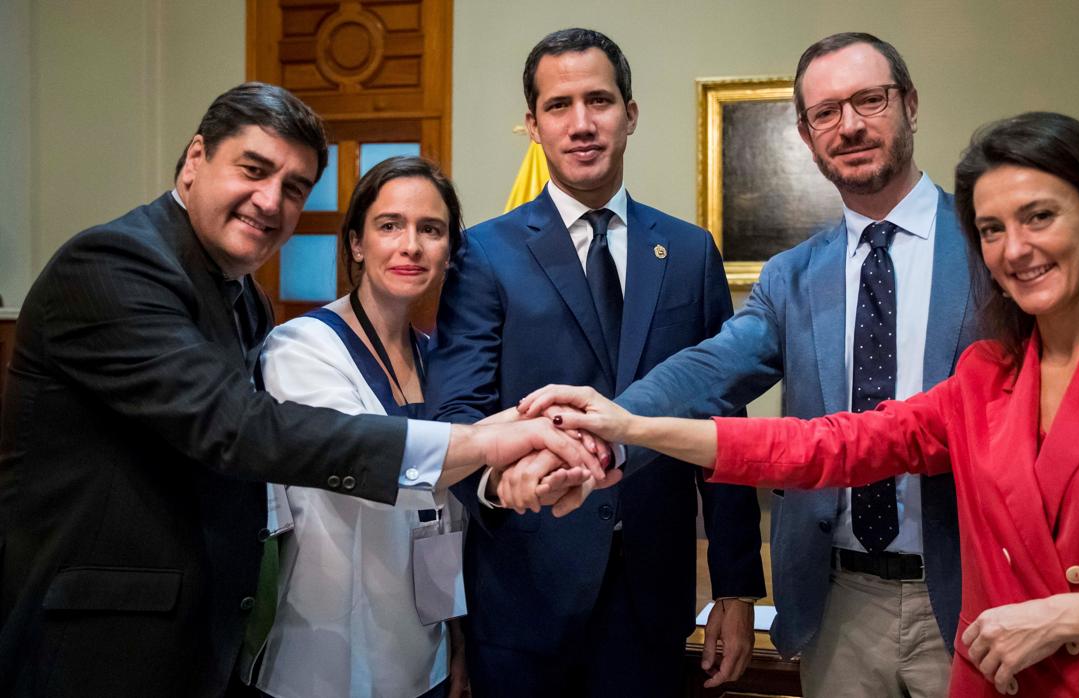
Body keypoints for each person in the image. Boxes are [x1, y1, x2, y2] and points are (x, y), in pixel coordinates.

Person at [523, 111, 1079, 697]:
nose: (1014, 249)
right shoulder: (986, 376)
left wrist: (1062, 617)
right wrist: (626, 426)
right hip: (934, 647)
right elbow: (824, 445)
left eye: (1040, 217)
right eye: (992, 230)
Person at [0, 83, 601, 697]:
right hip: (103, 638)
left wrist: (508, 452)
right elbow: (242, 429)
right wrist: (486, 444)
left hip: (216, 628)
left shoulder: (244, 300)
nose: (270, 201)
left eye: (294, 188)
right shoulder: (115, 263)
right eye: (253, 170)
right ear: (194, 160)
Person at [531, 32, 974, 697]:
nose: (849, 125)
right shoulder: (795, 275)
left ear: (909, 104)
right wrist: (611, 429)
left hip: (974, 591)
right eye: (826, 112)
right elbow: (710, 370)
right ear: (804, 132)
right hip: (839, 604)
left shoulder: (989, 247)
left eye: (869, 101)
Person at [426, 28, 765, 697]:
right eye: (558, 106)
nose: (581, 124)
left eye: (599, 101)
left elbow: (721, 419)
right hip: (523, 597)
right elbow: (455, 416)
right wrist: (498, 486)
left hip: (653, 601)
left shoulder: (690, 253)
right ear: (532, 125)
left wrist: (735, 583)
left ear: (631, 113)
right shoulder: (484, 255)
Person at [254, 157, 471, 697]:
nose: (411, 246)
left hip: (427, 650)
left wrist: (459, 636)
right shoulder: (302, 347)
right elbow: (371, 457)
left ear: (450, 251)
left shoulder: (439, 360)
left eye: (431, 229)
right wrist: (498, 438)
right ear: (356, 243)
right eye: (390, 225)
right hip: (325, 650)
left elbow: (446, 514)